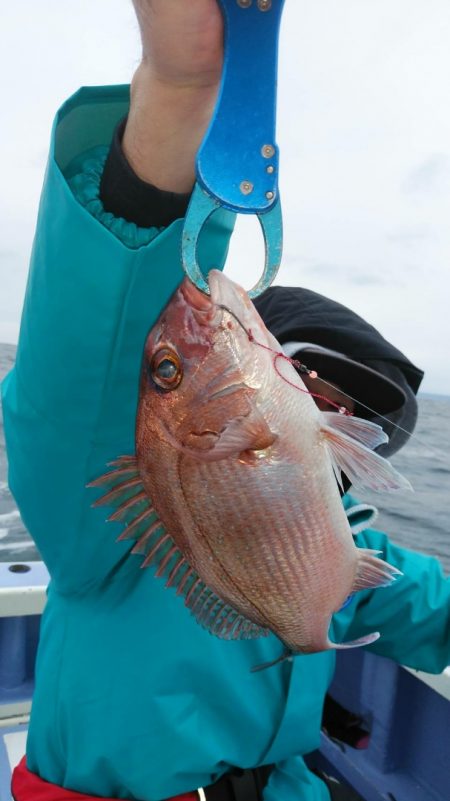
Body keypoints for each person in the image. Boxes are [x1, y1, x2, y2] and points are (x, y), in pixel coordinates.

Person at [2, 2, 449, 801]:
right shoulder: (102, 520)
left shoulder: (335, 554)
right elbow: (77, 372)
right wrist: (181, 88)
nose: (325, 409)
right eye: (311, 376)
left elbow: (428, 600)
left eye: (357, 416)